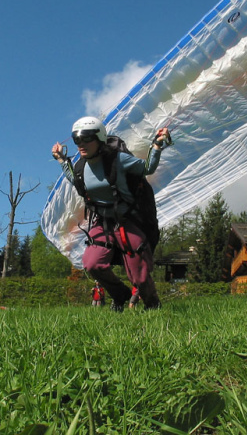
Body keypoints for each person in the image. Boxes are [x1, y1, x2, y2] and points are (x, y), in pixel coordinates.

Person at [52, 116, 171, 311]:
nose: (81, 144)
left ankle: (152, 304)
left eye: (86, 138)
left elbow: (147, 168)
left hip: (127, 220)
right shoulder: (81, 166)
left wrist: (157, 145)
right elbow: (75, 179)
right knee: (92, 263)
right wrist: (62, 160)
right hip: (102, 222)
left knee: (138, 275)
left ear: (99, 138)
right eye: (77, 140)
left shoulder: (118, 159)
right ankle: (120, 295)